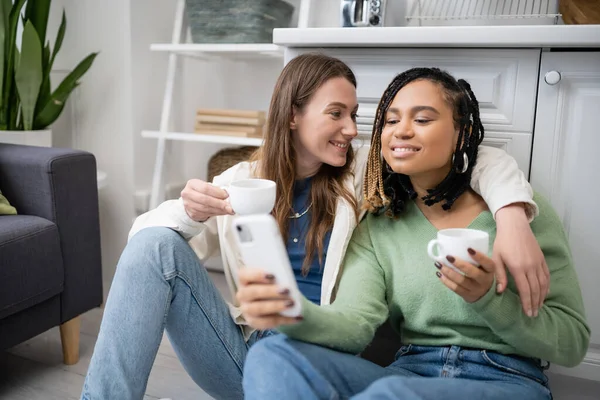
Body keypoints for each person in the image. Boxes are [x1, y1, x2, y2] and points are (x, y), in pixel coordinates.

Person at [81, 55, 547, 400]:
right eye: (336, 113)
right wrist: (190, 212)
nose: (350, 128)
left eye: (354, 115)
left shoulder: (367, 169)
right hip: (242, 348)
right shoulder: (243, 181)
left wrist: (511, 216)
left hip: (321, 352)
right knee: (156, 245)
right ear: (292, 116)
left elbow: (470, 154)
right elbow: (143, 244)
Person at [239, 67, 590, 400]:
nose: (401, 131)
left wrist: (489, 299)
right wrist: (294, 312)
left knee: (391, 395)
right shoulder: (379, 225)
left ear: (462, 134)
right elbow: (355, 325)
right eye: (391, 120)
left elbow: (572, 343)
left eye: (422, 119)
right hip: (408, 373)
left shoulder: (520, 213)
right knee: (272, 353)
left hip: (506, 378)